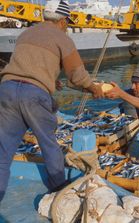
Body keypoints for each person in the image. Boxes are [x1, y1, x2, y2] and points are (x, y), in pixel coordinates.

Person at [0, 0, 104, 202]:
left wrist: (50, 78)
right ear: (63, 21)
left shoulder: (26, 33)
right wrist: (94, 88)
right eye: (68, 23)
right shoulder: (62, 38)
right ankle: (59, 189)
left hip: (6, 90)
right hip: (33, 96)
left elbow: (27, 66)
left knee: (3, 150)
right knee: (48, 143)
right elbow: (77, 74)